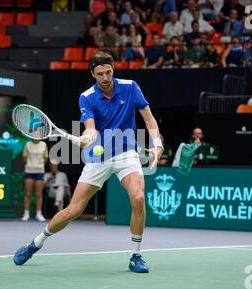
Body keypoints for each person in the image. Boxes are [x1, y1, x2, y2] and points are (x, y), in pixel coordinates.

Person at [13, 51, 164, 273]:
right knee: (73, 210)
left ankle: (135, 255)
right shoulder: (86, 97)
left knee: (139, 198)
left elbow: (149, 119)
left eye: (108, 72)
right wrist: (87, 138)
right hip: (98, 158)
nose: (105, 78)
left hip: (126, 152)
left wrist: (158, 143)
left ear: (113, 70)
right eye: (100, 74)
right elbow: (91, 129)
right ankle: (35, 244)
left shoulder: (131, 86)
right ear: (93, 74)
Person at [22, 138, 48, 222]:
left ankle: (39, 214)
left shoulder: (44, 144)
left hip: (40, 171)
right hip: (29, 171)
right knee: (28, 194)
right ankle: (26, 214)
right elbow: (24, 157)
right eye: (34, 134)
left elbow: (46, 158)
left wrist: (39, 165)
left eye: (38, 134)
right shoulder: (28, 144)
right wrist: (31, 165)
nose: (36, 136)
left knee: (39, 194)